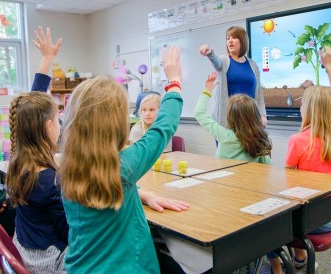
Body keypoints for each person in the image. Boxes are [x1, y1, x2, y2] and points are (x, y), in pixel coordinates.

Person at [59, 45, 188, 273]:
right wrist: (175, 83)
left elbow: (102, 189)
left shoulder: (68, 167)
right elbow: (161, 130)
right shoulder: (123, 166)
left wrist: (142, 194)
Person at [271, 46, 331, 274]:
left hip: (311, 220)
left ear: (309, 111)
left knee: (264, 224)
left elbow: (286, 181)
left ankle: (279, 269)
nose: (300, 107)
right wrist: (329, 66)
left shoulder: (298, 140)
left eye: (303, 105)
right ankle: (301, 258)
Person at [6, 26, 68, 273]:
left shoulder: (19, 158)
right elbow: (69, 233)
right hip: (48, 262)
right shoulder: (48, 179)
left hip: (24, 247)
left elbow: (32, 106)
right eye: (58, 116)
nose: (61, 122)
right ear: (48, 126)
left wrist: (47, 59)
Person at [194, 71, 272, 163]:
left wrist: (207, 90)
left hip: (223, 177)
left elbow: (199, 113)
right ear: (255, 116)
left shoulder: (225, 136)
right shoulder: (259, 140)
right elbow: (268, 168)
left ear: (231, 117)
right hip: (249, 177)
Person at [199, 26, 267, 129]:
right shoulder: (224, 61)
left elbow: (259, 93)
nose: (230, 41)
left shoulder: (253, 65)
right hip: (228, 123)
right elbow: (216, 61)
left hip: (249, 121)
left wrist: (262, 114)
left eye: (234, 37)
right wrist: (209, 52)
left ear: (243, 41)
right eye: (227, 38)